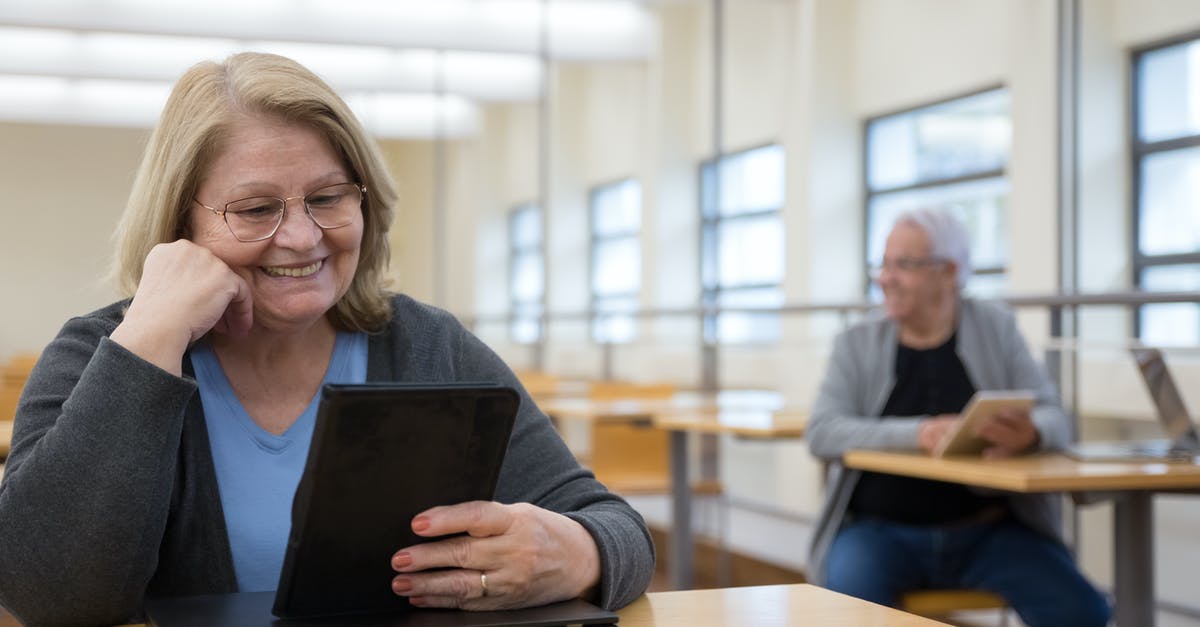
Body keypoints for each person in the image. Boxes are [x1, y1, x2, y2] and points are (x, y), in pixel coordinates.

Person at [0, 52, 653, 627]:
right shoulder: (97, 354)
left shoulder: (427, 346)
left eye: (328, 196)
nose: (303, 237)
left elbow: (621, 531)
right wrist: (148, 334)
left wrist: (577, 553)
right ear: (178, 225)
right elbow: (49, 596)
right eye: (256, 209)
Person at [806, 209, 1110, 627]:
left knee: (1084, 612)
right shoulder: (855, 343)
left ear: (949, 272)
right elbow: (822, 431)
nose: (886, 278)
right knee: (845, 614)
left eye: (903, 265)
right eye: (884, 263)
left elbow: (1057, 418)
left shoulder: (997, 329)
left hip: (991, 532)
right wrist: (920, 433)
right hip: (879, 532)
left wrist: (1032, 432)